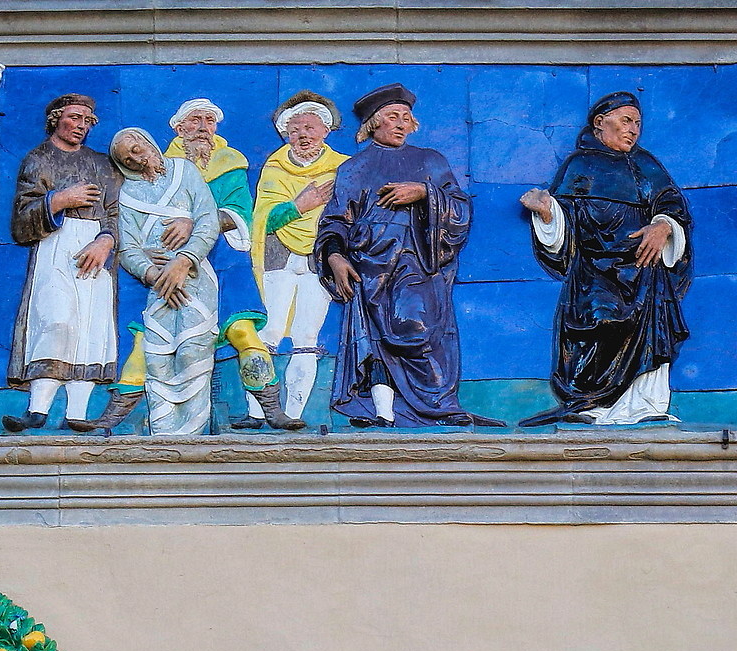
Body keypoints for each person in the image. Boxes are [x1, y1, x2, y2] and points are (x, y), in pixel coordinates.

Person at [319, 84, 496, 428]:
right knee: (375, 340)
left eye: (406, 117)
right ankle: (382, 412)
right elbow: (336, 220)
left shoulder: (430, 160)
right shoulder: (355, 167)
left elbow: (460, 207)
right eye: (392, 116)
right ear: (374, 123)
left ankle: (437, 405)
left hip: (418, 262)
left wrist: (424, 192)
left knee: (417, 327)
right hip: (369, 266)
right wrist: (335, 257)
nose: (401, 123)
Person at [517, 92, 693, 426]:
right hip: (594, 273)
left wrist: (663, 226)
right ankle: (592, 406)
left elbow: (672, 205)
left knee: (649, 334)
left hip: (644, 272)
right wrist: (547, 211)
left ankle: (644, 406)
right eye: (626, 121)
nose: (633, 129)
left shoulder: (646, 165)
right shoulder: (579, 165)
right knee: (599, 323)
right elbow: (566, 223)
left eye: (638, 123)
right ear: (600, 122)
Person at [4, 93, 120, 434]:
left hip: (95, 247)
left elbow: (116, 212)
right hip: (54, 244)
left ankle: (77, 413)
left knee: (91, 327)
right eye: (74, 118)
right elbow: (21, 220)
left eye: (87, 120)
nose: (81, 126)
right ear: (56, 119)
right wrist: (58, 200)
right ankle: (37, 409)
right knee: (55, 321)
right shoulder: (37, 159)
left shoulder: (101, 164)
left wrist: (106, 240)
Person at [162, 99, 281, 425]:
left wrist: (195, 223)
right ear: (179, 127)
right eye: (195, 120)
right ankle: (140, 413)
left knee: (242, 329)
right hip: (176, 260)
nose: (203, 127)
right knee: (158, 335)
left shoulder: (230, 164)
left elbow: (239, 213)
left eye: (210, 121)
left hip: (225, 256)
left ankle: (271, 408)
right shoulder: (162, 166)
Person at [101, 126, 220, 435]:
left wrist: (184, 260)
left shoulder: (184, 171)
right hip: (159, 288)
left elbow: (208, 218)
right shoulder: (127, 195)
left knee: (193, 349)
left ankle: (193, 435)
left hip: (194, 278)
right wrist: (154, 275)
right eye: (127, 158)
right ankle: (163, 434)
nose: (136, 156)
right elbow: (128, 248)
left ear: (149, 142)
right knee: (157, 357)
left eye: (136, 146)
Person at [243, 91, 348, 431]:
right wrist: (298, 206)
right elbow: (263, 219)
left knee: (306, 336)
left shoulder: (342, 168)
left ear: (325, 131)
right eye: (296, 129)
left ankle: (295, 413)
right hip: (279, 257)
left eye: (310, 127)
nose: (303, 135)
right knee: (269, 330)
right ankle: (257, 411)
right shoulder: (275, 168)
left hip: (319, 257)